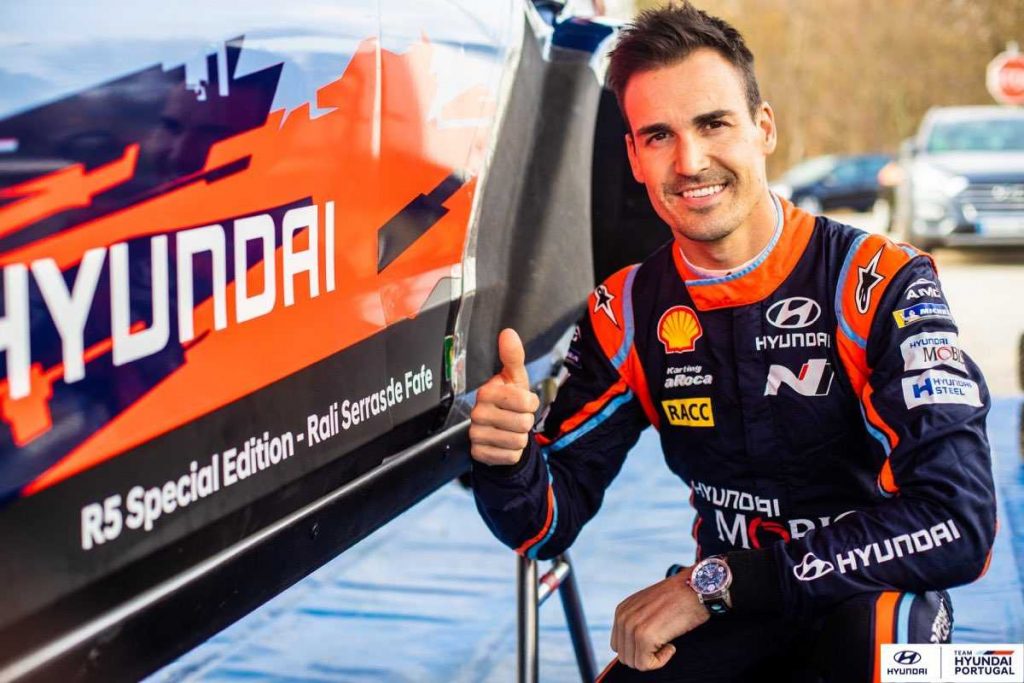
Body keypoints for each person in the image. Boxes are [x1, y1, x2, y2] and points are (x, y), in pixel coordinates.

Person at [467, 3, 997, 681]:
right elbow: (545, 524)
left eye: (713, 123)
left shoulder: (879, 282)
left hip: (865, 599)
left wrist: (713, 585)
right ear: (633, 157)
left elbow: (959, 520)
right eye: (658, 135)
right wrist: (507, 459)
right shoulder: (625, 310)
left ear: (763, 128)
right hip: (734, 606)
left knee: (898, 650)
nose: (690, 161)